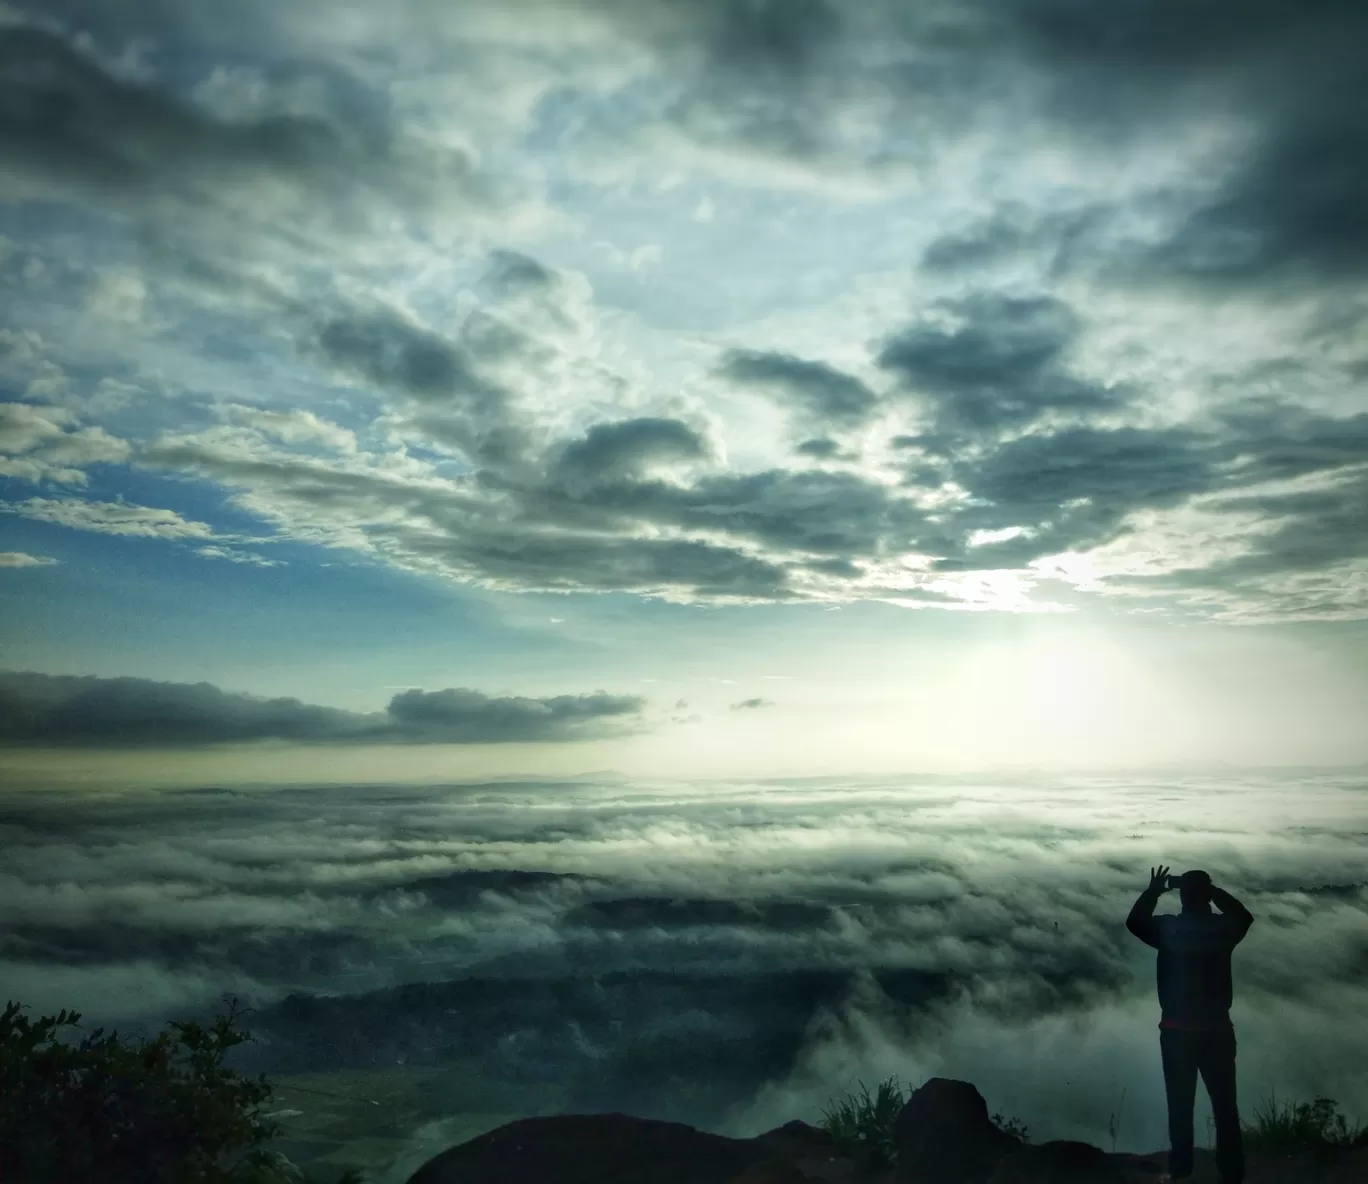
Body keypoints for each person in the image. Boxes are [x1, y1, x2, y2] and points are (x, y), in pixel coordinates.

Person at [1127, 865, 1254, 1184]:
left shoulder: (1169, 930)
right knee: (1225, 1107)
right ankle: (1232, 1173)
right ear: (1207, 897)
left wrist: (1154, 890)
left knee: (1180, 1105)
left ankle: (1181, 1170)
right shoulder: (1222, 930)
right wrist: (1215, 892)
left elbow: (1134, 922)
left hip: (1176, 1032)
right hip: (1217, 1031)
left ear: (1182, 896)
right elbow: (1244, 916)